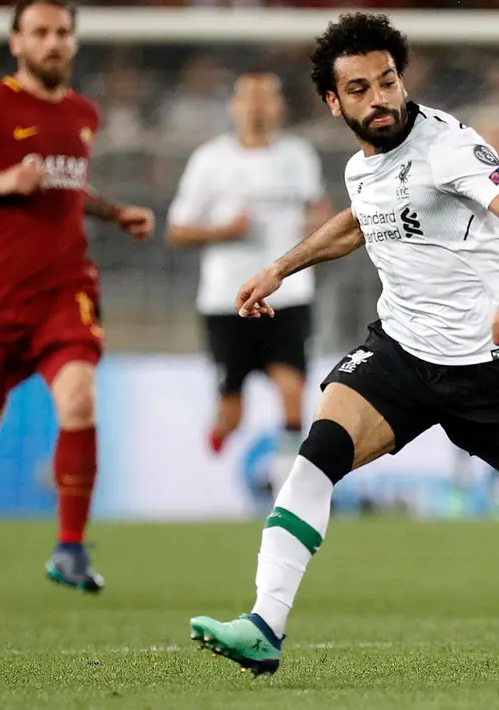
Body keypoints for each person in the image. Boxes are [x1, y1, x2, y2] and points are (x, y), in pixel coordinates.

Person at [187, 12, 499, 677]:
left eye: (386, 82)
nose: (378, 99)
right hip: (402, 355)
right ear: (333, 101)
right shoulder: (364, 165)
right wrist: (279, 268)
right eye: (359, 88)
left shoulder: (446, 147)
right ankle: (265, 622)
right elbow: (359, 220)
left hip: (494, 368)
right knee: (316, 453)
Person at [0, 0, 155, 593]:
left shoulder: (82, 114)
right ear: (16, 42)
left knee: (79, 401)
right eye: (39, 32)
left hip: (66, 290)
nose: (53, 42)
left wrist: (114, 213)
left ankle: (70, 549)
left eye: (62, 32)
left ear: (73, 41)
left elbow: (66, 185)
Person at [167, 69, 332, 497]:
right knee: (232, 413)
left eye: (266, 98)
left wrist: (317, 221)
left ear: (279, 107)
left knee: (292, 391)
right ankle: (220, 430)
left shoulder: (298, 156)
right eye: (249, 98)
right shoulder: (210, 160)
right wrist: (223, 230)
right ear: (234, 106)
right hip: (228, 298)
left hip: (288, 293)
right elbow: (177, 229)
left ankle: (284, 486)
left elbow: (319, 209)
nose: (257, 106)